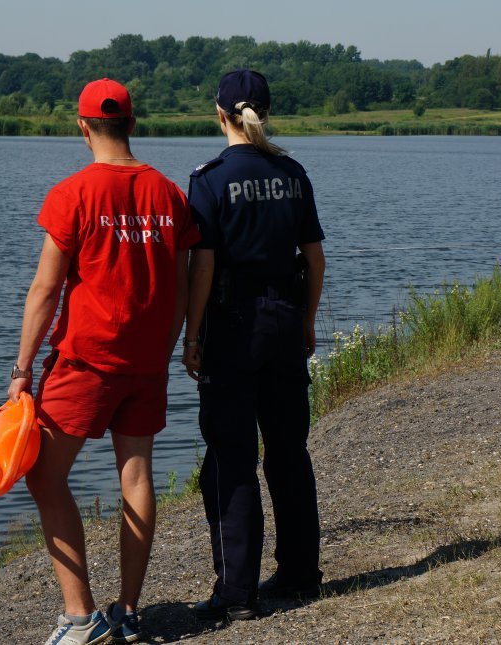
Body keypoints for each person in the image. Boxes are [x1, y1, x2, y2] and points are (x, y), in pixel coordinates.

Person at [7, 78, 199, 644]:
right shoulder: (169, 194)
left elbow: (45, 290)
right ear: (132, 125)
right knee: (135, 475)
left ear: (83, 127)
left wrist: (21, 369)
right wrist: (166, 348)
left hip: (86, 362)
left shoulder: (72, 193)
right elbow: (181, 287)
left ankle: (80, 617)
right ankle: (128, 612)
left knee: (44, 476)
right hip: (146, 363)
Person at [181, 69, 327, 621]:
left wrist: (192, 335)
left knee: (231, 457)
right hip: (285, 320)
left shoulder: (210, 179)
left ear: (220, 115)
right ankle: (300, 574)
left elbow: (202, 267)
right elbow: (314, 259)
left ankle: (236, 593)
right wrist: (306, 321)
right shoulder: (293, 173)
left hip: (232, 328)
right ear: (266, 113)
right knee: (289, 451)